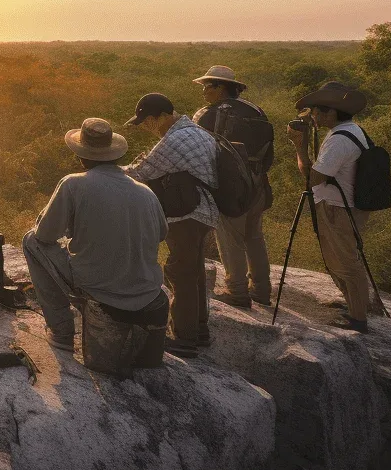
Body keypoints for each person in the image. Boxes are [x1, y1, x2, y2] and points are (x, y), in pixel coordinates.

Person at [23, 118, 168, 353]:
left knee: (30, 241)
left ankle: (61, 331)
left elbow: (45, 235)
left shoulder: (72, 184)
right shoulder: (145, 191)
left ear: (82, 155)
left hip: (100, 288)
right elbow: (161, 234)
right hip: (146, 291)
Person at [124, 93, 219, 358]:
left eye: (149, 121)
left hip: (187, 214)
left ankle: (184, 339)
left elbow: (140, 172)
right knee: (194, 271)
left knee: (180, 273)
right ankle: (199, 331)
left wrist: (103, 169)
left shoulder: (176, 140)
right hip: (203, 213)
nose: (147, 126)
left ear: (164, 116)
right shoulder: (197, 132)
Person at [289, 81, 380, 332]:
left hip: (338, 208)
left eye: (316, 112)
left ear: (330, 112)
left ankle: (358, 318)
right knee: (342, 260)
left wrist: (299, 145)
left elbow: (312, 178)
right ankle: (355, 307)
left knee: (346, 263)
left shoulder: (339, 140)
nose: (313, 117)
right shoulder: (352, 130)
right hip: (347, 206)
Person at [193, 65, 274, 309]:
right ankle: (261, 290)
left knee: (230, 239)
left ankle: (237, 292)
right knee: (254, 236)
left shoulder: (206, 114)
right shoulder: (256, 110)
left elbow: (199, 152)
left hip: (229, 186)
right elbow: (269, 152)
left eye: (208, 86)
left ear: (220, 87)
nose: (204, 91)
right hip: (258, 182)